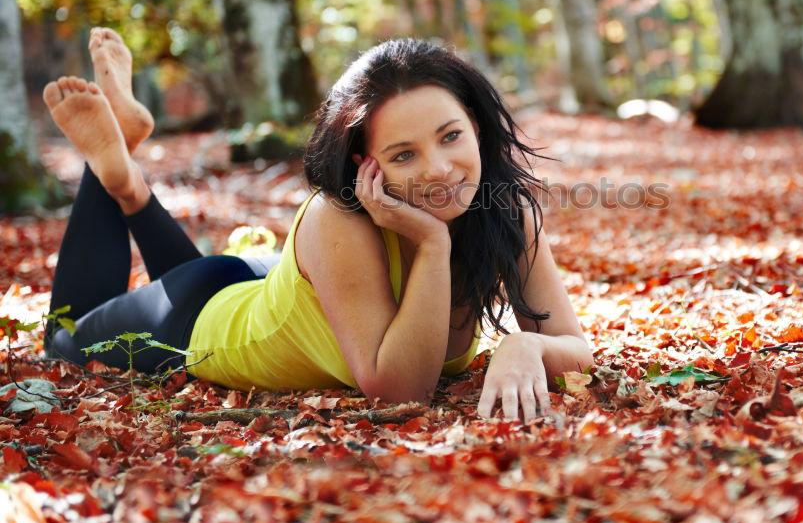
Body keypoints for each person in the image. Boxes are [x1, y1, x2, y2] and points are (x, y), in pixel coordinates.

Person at [43, 29, 593, 421]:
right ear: (364, 165)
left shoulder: (506, 211)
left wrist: (523, 349)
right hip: (197, 321)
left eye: (450, 136)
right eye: (403, 156)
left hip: (267, 281)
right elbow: (399, 390)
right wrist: (430, 242)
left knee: (201, 277)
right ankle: (113, 173)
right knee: (60, 339)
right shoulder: (340, 218)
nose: (440, 170)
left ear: (473, 125)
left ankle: (128, 175)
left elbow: (574, 349)